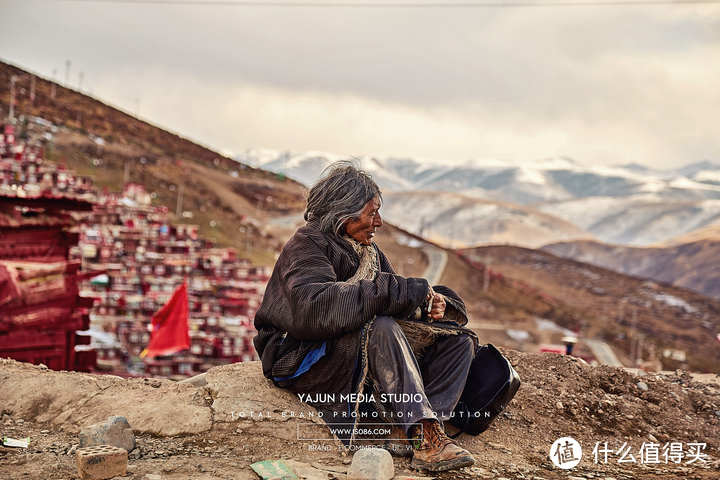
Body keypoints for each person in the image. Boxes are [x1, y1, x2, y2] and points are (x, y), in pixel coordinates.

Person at [253, 161, 477, 472]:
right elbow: (314, 308)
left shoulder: (366, 252)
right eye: (372, 213)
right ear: (342, 213)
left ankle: (418, 428)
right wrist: (400, 292)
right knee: (381, 328)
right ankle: (424, 434)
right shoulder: (306, 246)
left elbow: (386, 296)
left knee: (458, 342)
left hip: (344, 348)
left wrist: (429, 304)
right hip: (302, 356)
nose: (379, 222)